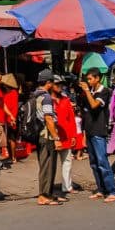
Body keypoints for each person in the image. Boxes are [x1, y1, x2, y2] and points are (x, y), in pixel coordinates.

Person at [79, 69, 115, 202]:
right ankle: (101, 189)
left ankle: (112, 191)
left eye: (90, 79)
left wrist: (87, 92)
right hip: (89, 131)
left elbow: (94, 105)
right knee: (94, 163)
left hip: (99, 131)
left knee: (102, 161)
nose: (88, 82)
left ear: (98, 78)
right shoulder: (89, 92)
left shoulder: (104, 91)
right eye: (87, 79)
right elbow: (85, 113)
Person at [34, 69, 63, 205]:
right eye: (52, 81)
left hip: (38, 134)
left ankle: (47, 193)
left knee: (44, 165)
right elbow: (48, 119)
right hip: (46, 135)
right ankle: (44, 195)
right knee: (48, 166)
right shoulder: (46, 97)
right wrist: (56, 138)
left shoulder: (34, 95)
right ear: (48, 83)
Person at [53, 77, 78, 195]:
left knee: (67, 161)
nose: (59, 86)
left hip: (66, 135)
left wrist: (73, 136)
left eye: (61, 84)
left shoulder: (66, 100)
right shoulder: (47, 100)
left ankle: (67, 186)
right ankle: (48, 187)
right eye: (57, 84)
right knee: (50, 164)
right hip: (52, 136)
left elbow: (71, 119)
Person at [1, 73, 20, 161]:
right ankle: (13, 157)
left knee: (10, 139)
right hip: (11, 118)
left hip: (9, 118)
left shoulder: (8, 94)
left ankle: (11, 156)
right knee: (11, 139)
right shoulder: (14, 93)